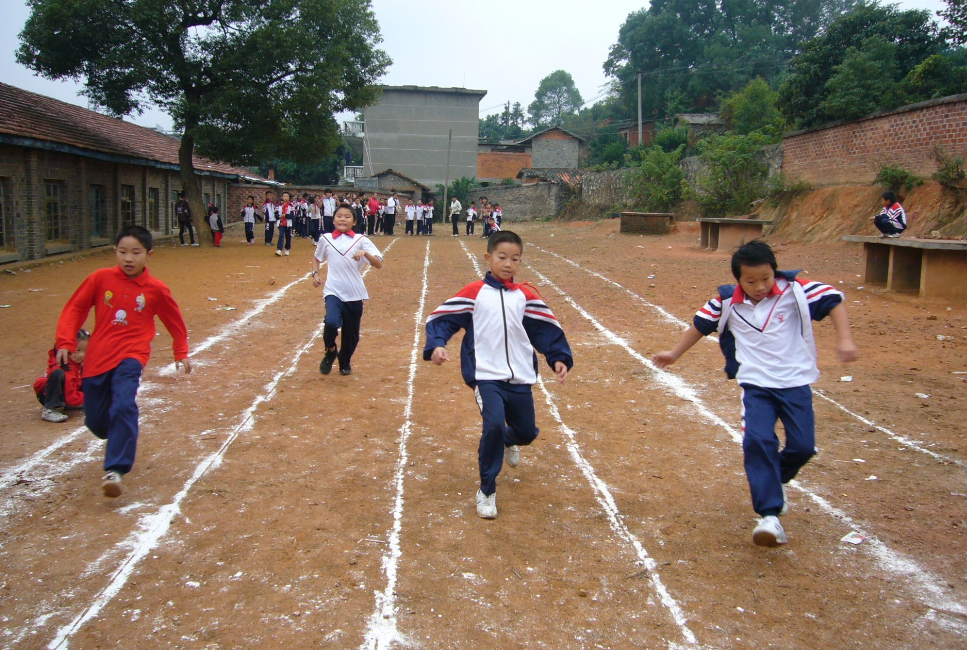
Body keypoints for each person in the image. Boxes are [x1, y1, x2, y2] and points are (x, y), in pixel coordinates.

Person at [652, 240, 858, 547]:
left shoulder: (796, 291)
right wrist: (674, 353)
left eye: (766, 278)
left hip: (795, 383)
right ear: (738, 280)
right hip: (756, 384)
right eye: (751, 281)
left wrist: (845, 339)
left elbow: (833, 300)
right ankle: (769, 515)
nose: (760, 286)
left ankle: (775, 480)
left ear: (774, 271)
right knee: (758, 441)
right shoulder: (726, 303)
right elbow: (700, 325)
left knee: (803, 447)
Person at [424, 230, 574, 519]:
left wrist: (557, 358)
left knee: (526, 433)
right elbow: (442, 319)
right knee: (492, 424)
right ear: (488, 257)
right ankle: (487, 490)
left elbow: (545, 329)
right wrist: (437, 345)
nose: (508, 263)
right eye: (502, 257)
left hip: (519, 376)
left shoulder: (526, 296)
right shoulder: (474, 292)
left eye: (515, 259)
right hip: (485, 375)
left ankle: (510, 440)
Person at [54, 225, 192, 497]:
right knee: (96, 421)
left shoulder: (156, 289)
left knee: (123, 403)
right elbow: (75, 309)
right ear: (114, 252)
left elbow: (174, 321)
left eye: (136, 253)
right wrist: (65, 341)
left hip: (132, 356)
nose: (129, 258)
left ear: (148, 255)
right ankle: (118, 433)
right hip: (97, 359)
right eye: (123, 252)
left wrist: (181, 351)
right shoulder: (99, 279)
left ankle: (115, 470)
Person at [312, 203, 383, 376]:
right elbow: (316, 257)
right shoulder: (326, 238)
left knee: (352, 336)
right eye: (339, 215)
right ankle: (330, 350)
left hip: (355, 293)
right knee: (331, 322)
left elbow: (378, 263)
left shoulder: (361, 240)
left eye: (347, 216)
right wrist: (315, 273)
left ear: (354, 221)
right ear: (333, 218)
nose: (342, 219)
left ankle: (345, 361)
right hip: (333, 291)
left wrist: (364, 253)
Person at [34, 329, 88, 422]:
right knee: (58, 374)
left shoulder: (78, 362)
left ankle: (71, 404)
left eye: (85, 350)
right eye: (77, 350)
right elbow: (70, 398)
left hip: (70, 390)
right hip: (48, 394)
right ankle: (49, 409)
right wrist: (91, 398)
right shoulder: (64, 367)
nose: (81, 355)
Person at [276, 191, 294, 256]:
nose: (285, 197)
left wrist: (285, 215)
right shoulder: (279, 205)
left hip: (288, 224)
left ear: (289, 198)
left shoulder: (291, 205)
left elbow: (292, 215)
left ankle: (287, 248)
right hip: (281, 223)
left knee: (288, 237)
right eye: (284, 196)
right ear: (282, 197)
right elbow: (276, 214)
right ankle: (279, 249)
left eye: (287, 196)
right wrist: (278, 216)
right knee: (281, 236)